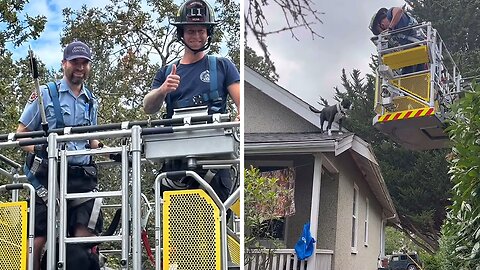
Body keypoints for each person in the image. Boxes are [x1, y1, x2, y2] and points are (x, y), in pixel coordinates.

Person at [143, 0, 240, 203]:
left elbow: (242, 104)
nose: (196, 36)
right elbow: (148, 107)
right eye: (190, 31)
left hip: (214, 164)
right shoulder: (167, 73)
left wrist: (241, 115)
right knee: (176, 231)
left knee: (213, 228)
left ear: (208, 33)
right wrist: (163, 90)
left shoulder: (222, 66)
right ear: (181, 34)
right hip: (177, 168)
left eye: (201, 31)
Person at [18, 41, 103, 270]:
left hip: (81, 178)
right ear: (64, 63)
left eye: (84, 62)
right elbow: (21, 135)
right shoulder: (45, 94)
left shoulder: (91, 100)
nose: (80, 67)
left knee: (84, 238)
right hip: (48, 176)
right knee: (37, 238)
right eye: (75, 62)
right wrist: (40, 150)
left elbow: (91, 139)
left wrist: (106, 149)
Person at [369, 6, 425, 74]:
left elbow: (399, 10)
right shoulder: (395, 35)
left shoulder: (390, 15)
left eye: (382, 29)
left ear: (381, 24)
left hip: (418, 46)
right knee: (414, 74)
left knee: (407, 74)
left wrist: (390, 28)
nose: (384, 31)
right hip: (416, 51)